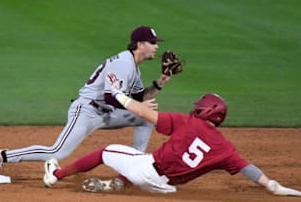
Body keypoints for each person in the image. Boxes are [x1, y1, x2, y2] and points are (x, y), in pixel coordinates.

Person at [42, 84, 301, 196]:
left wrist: (119, 96)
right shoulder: (226, 149)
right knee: (138, 160)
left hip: (146, 171)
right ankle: (120, 184)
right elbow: (249, 170)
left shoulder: (188, 122)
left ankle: (56, 174)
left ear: (205, 110)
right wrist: (273, 186)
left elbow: (145, 113)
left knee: (105, 152)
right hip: (165, 188)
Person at [0, 25, 175, 174]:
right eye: (152, 42)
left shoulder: (134, 67)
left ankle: (136, 164)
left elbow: (139, 97)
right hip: (87, 111)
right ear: (140, 44)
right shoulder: (123, 63)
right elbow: (111, 97)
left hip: (107, 113)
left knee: (146, 117)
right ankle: (0, 155)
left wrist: (161, 81)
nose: (156, 46)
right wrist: (139, 106)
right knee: (57, 152)